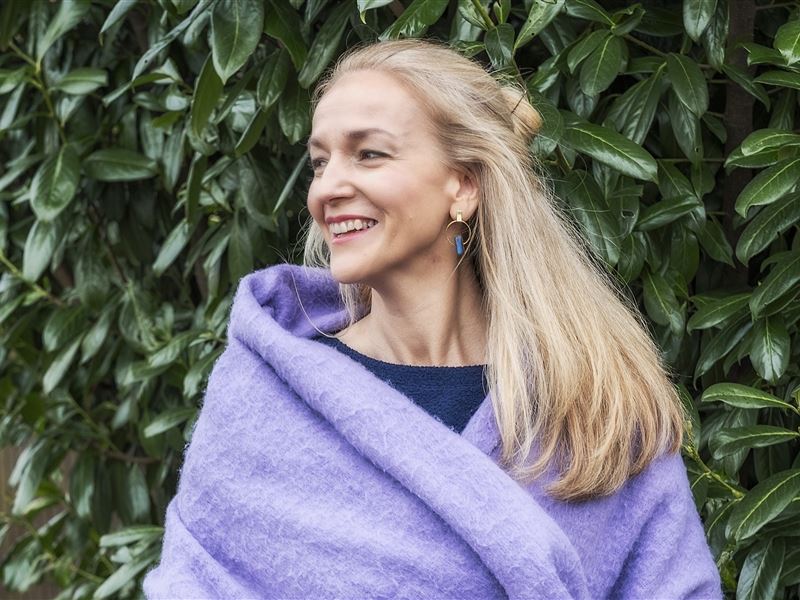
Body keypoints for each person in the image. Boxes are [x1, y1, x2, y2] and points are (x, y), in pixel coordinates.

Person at [143, 39, 721, 599]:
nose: (327, 189)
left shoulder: (592, 402)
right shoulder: (262, 397)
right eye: (320, 162)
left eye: (369, 154)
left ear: (463, 185)